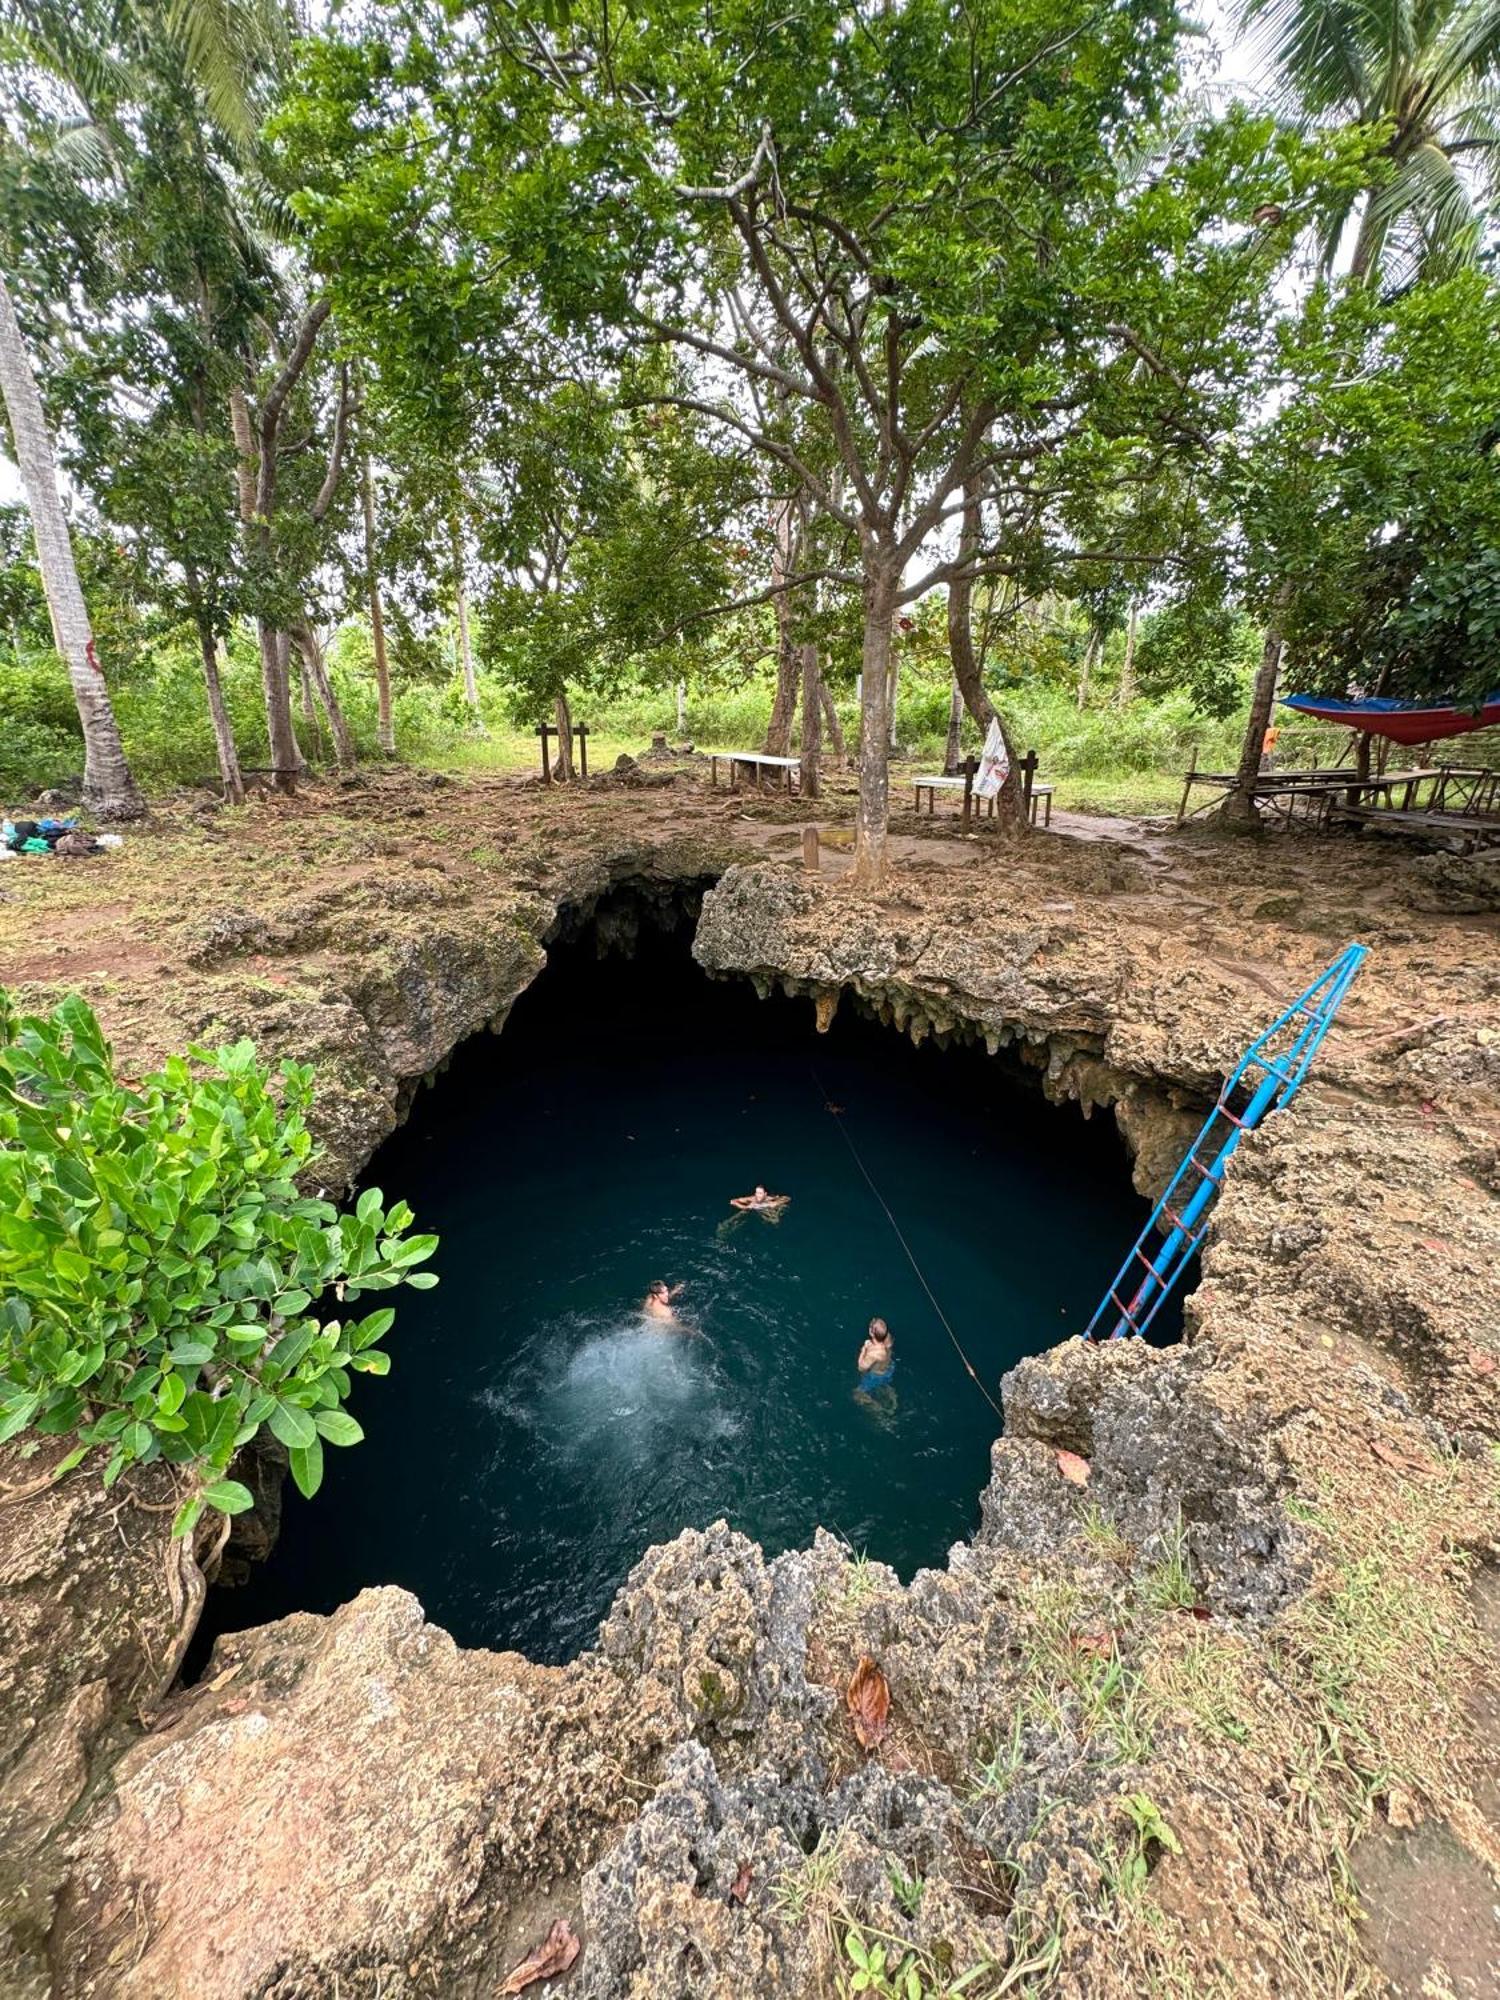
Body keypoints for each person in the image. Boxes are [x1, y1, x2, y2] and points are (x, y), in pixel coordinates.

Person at [856, 1317, 895, 1388]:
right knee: (886, 1386)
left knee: (857, 1394)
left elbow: (861, 1368)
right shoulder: (888, 1339)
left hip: (876, 1376)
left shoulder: (873, 1354)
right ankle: (893, 1397)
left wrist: (864, 1349)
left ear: (871, 1332)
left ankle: (871, 1400)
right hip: (889, 1368)